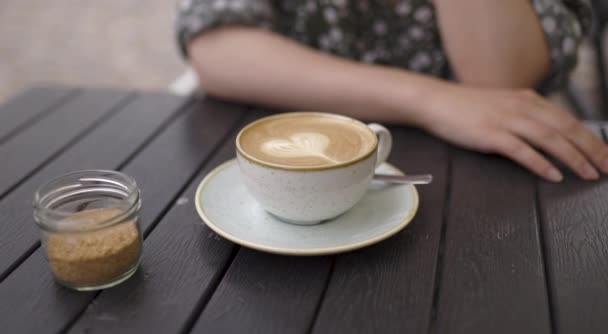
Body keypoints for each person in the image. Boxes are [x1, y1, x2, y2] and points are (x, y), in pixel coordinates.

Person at [176, 0, 607, 182]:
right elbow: (217, 45)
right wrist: (432, 101)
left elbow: (500, 77)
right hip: (283, 154)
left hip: (483, 170)